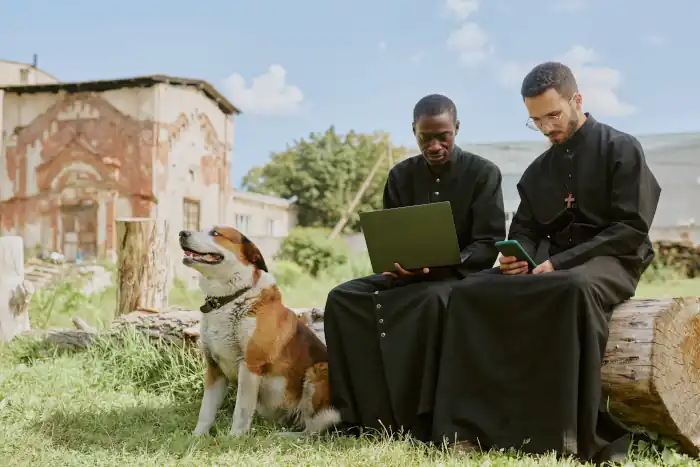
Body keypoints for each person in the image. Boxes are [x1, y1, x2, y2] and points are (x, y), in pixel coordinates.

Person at [431, 62, 662, 463]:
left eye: (553, 115)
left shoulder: (620, 148)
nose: (545, 127)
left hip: (613, 258)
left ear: (577, 101)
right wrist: (516, 258)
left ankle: (566, 432)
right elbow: (525, 229)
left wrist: (560, 263)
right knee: (470, 291)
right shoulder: (539, 170)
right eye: (535, 120)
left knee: (571, 287)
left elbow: (632, 226)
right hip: (551, 266)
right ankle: (470, 426)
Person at [323, 94, 507, 441]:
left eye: (444, 136)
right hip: (406, 275)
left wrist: (446, 262)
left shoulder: (484, 173)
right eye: (426, 138)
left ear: (457, 129)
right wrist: (400, 265)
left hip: (460, 278)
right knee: (341, 298)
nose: (435, 145)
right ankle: (355, 416)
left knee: (428, 300)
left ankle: (419, 420)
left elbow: (488, 244)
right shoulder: (400, 175)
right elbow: (391, 237)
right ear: (413, 132)